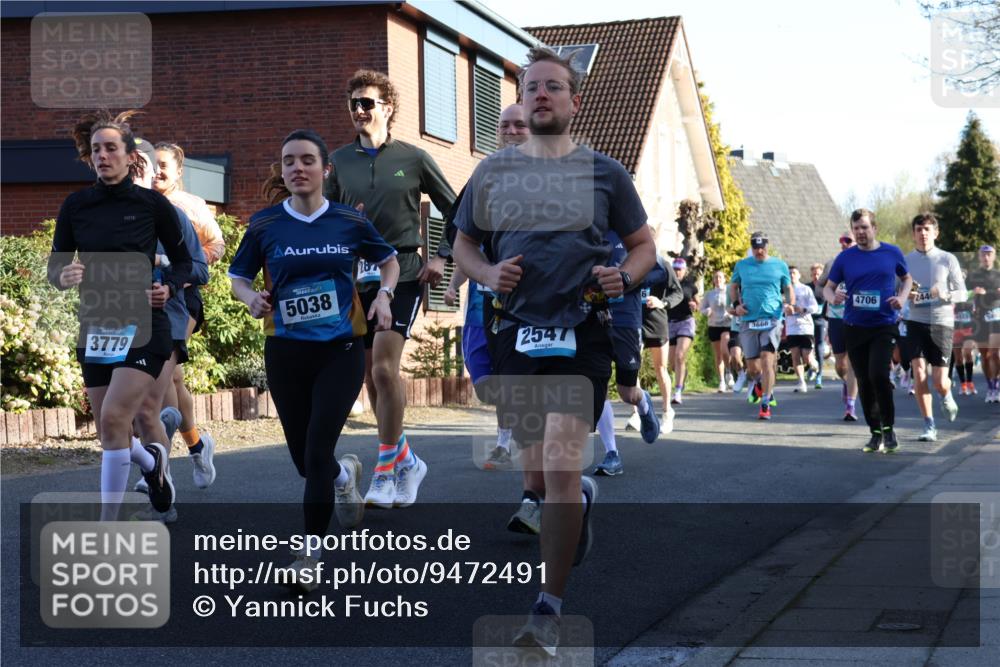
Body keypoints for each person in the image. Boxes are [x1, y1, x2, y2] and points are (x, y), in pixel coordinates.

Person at [452, 46, 656, 655]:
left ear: (573, 100)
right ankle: (574, 503)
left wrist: (627, 275)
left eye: (553, 87)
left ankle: (548, 608)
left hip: (582, 332)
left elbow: (642, 245)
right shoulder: (492, 174)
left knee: (562, 467)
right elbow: (463, 247)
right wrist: (486, 276)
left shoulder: (605, 173)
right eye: (531, 86)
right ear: (520, 97)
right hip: (515, 332)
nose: (541, 94)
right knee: (538, 475)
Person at [230, 129, 399, 588]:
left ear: (326, 170)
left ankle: (310, 555)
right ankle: (345, 475)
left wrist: (384, 297)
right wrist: (250, 299)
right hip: (285, 351)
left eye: (307, 160)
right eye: (289, 161)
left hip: (340, 350)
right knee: (308, 463)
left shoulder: (348, 221)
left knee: (318, 447)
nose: (297, 168)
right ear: (282, 172)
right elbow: (238, 277)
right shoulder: (265, 224)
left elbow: (389, 261)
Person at [48, 110, 192, 521]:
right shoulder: (76, 206)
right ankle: (151, 464)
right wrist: (66, 274)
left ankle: (107, 528)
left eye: (111, 148)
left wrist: (169, 286)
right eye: (96, 150)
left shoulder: (151, 205)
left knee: (116, 416)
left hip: (146, 325)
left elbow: (185, 263)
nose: (102, 156)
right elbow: (56, 268)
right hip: (96, 325)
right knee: (109, 431)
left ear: (130, 157)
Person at [325, 69, 455, 508]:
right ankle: (408, 460)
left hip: (403, 269)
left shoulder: (414, 158)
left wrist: (441, 256)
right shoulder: (340, 161)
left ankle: (383, 470)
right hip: (353, 277)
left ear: (388, 107)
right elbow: (325, 218)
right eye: (354, 104)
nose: (360, 111)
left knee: (384, 367)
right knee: (371, 377)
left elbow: (456, 210)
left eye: (368, 103)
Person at [444, 103, 531, 471]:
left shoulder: (553, 176)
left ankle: (507, 442)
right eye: (504, 125)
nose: (510, 131)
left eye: (519, 125)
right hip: (483, 299)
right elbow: (466, 240)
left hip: (528, 304)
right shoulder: (484, 176)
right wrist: (453, 282)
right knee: (483, 379)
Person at [130, 139, 210, 522]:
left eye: (144, 165)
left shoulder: (176, 211)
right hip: (118, 319)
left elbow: (200, 267)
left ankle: (160, 497)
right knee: (127, 415)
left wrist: (167, 273)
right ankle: (168, 441)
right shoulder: (104, 212)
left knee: (147, 404)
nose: (143, 171)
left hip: (170, 313)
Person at [153, 142, 222, 475]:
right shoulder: (138, 204)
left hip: (185, 295)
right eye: (151, 164)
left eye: (163, 164)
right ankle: (196, 446)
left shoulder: (190, 206)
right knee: (175, 377)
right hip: (152, 296)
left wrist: (178, 264)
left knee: (163, 363)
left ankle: (159, 464)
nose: (156, 170)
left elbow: (216, 245)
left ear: (179, 171)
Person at [823, 209, 912, 453]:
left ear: (874, 228)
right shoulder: (845, 258)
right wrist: (834, 298)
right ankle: (874, 432)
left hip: (884, 324)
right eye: (856, 228)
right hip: (854, 326)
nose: (860, 232)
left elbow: (907, 279)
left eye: (864, 227)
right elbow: (827, 289)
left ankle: (889, 429)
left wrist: (902, 298)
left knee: (879, 375)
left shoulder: (891, 252)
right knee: (863, 380)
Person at [902, 213, 966, 441]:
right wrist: (906, 295)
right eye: (918, 229)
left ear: (936, 233)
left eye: (927, 229)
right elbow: (896, 290)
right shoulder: (905, 261)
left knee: (939, 381)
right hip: (915, 321)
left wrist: (943, 293)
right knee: (918, 373)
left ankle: (946, 394)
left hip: (941, 323)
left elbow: (962, 292)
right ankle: (929, 425)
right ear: (913, 233)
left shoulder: (947, 259)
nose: (923, 233)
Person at [729, 232, 793, 420]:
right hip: (749, 320)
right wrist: (736, 306)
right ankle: (759, 384)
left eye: (762, 247)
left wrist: (789, 303)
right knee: (753, 368)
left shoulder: (779, 265)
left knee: (767, 358)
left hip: (772, 318)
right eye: (755, 247)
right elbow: (733, 287)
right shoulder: (742, 265)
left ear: (767, 246)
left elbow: (788, 288)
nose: (759, 251)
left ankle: (765, 403)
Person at [635, 247, 682, 433]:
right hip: (635, 321)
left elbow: (677, 292)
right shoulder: (629, 262)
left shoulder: (663, 265)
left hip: (657, 322)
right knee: (632, 369)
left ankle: (667, 411)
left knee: (660, 369)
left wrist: (662, 302)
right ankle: (638, 413)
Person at [822, 234, 861, 420]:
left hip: (857, 317)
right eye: (842, 242)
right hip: (836, 318)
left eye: (848, 241)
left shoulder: (865, 262)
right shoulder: (832, 264)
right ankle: (845, 382)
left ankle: (850, 407)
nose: (844, 245)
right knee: (840, 364)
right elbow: (819, 288)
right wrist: (831, 293)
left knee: (853, 362)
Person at [968, 245, 1000, 403]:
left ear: (994, 256)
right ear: (979, 256)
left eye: (989, 254)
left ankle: (996, 383)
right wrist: (972, 293)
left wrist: (987, 293)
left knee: (994, 353)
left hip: (995, 316)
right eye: (983, 254)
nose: (986, 257)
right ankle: (990, 387)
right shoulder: (973, 276)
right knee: (985, 356)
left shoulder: (998, 274)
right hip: (980, 318)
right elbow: (964, 293)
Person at [667, 258, 699, 404]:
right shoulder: (666, 284)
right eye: (675, 268)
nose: (677, 271)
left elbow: (698, 303)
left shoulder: (690, 285)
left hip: (686, 322)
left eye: (680, 269)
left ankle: (678, 390)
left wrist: (695, 305)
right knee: (672, 363)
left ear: (685, 270)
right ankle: (682, 375)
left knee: (680, 355)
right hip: (670, 324)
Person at [786, 266, 820, 393]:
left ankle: (814, 365)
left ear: (799, 275)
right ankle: (801, 381)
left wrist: (803, 309)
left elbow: (815, 307)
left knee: (807, 357)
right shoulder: (785, 291)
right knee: (795, 355)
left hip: (805, 327)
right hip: (791, 328)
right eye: (789, 273)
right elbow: (781, 307)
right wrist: (785, 309)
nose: (791, 275)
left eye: (794, 273)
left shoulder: (805, 289)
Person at [701, 269, 734, 392]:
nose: (718, 280)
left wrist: (731, 314)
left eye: (720, 277)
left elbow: (735, 305)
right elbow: (702, 308)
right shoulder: (709, 294)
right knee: (718, 355)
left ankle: (729, 372)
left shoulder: (729, 292)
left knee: (725, 349)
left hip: (727, 324)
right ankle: (721, 381)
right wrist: (707, 311)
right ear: (713, 280)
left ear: (724, 279)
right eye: (716, 277)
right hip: (713, 325)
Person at [808, 262, 828, 389]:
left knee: (819, 346)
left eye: (818, 274)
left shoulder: (826, 287)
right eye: (814, 274)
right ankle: (811, 367)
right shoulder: (807, 287)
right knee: (806, 347)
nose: (816, 277)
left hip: (821, 320)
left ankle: (819, 373)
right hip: (806, 321)